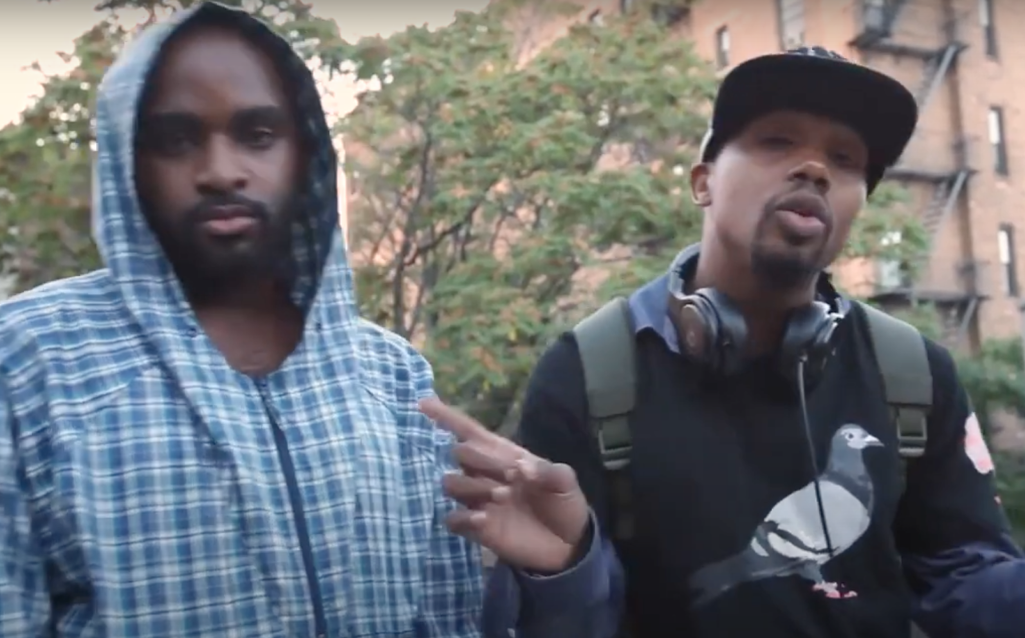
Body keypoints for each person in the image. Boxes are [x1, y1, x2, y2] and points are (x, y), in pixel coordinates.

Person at [423, 47, 1025, 637]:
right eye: (777, 141)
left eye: (844, 160)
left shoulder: (915, 373)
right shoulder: (586, 371)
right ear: (703, 181)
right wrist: (564, 572)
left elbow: (963, 579)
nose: (814, 169)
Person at [0, 3, 482, 636]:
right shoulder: (29, 361)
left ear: (305, 154)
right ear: (127, 164)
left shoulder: (392, 377)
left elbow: (449, 619)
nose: (221, 172)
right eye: (176, 140)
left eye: (258, 135)